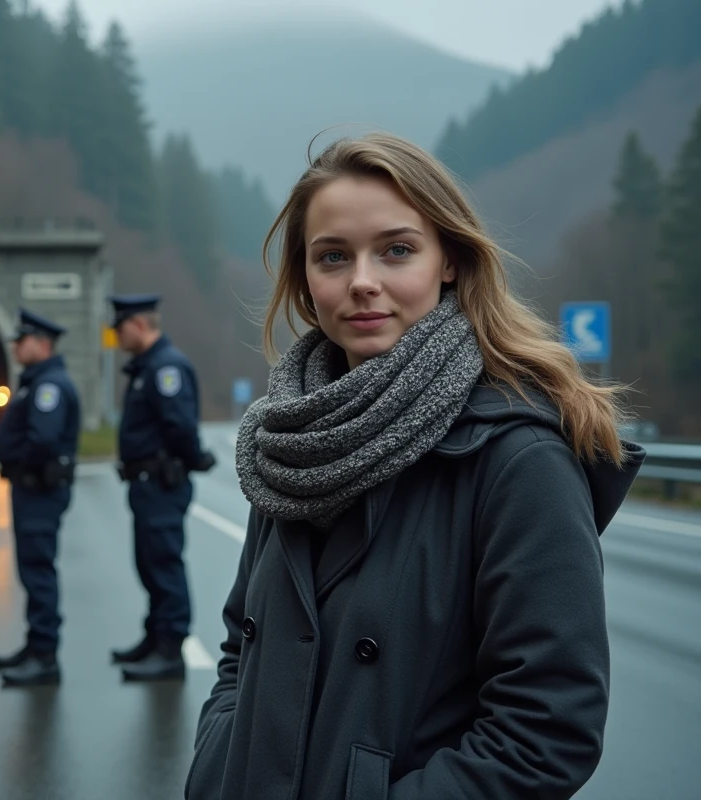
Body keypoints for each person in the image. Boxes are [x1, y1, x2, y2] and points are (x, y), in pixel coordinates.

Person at [186, 132, 646, 799]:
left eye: (396, 250)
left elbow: (546, 729)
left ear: (449, 261)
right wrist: (220, 758)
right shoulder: (293, 437)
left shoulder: (518, 458)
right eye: (333, 256)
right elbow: (241, 650)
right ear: (307, 281)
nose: (363, 282)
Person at [108, 294, 216, 682]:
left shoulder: (165, 368)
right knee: (149, 563)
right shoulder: (147, 367)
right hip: (145, 484)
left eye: (119, 329)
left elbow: (180, 425)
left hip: (161, 482)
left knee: (164, 563)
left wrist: (192, 457)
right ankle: (154, 637)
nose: (116, 336)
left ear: (138, 324)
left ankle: (171, 649)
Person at [0, 308, 80, 688]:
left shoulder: (49, 386)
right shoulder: (37, 380)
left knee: (39, 571)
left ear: (42, 345)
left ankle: (45, 657)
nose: (14, 346)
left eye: (21, 340)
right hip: (31, 489)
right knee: (32, 570)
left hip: (39, 490)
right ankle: (35, 645)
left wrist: (23, 467)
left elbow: (43, 439)